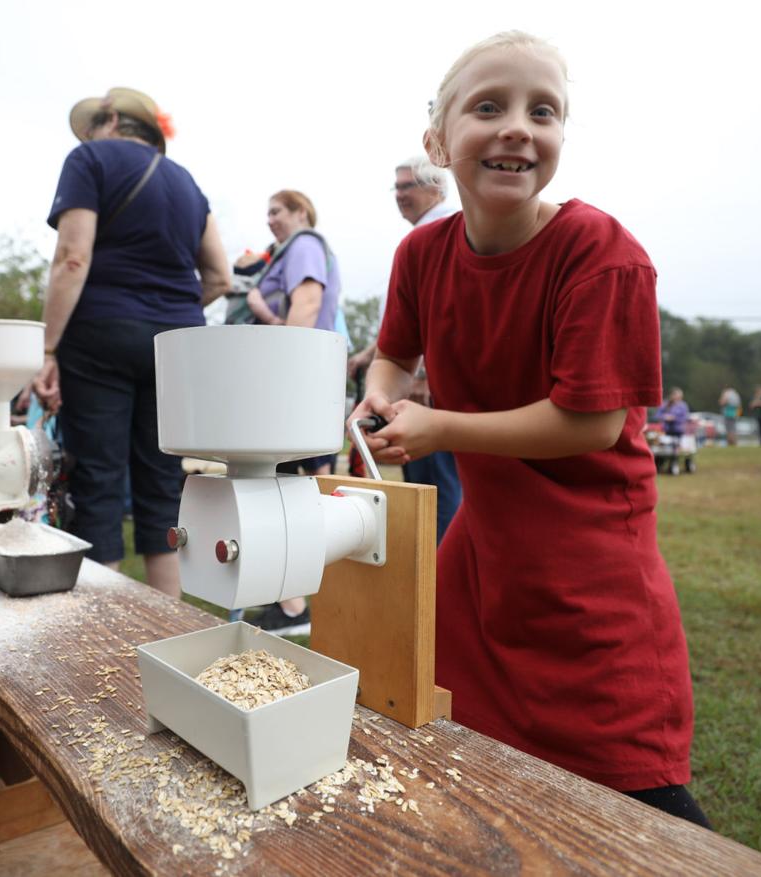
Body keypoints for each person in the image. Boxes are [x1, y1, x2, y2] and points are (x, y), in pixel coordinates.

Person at [347, 32, 708, 826]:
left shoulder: (602, 253)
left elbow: (591, 422)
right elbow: (394, 356)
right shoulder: (421, 253)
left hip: (592, 576)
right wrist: (378, 397)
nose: (518, 126)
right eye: (489, 106)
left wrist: (440, 426)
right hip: (480, 564)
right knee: (468, 776)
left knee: (638, 806)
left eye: (543, 111)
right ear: (437, 142)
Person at [33, 87, 231, 597]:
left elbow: (73, 257)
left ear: (112, 121)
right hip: (177, 342)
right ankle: (171, 621)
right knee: (162, 481)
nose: (86, 136)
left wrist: (48, 348)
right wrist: (168, 312)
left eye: (90, 127)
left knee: (97, 479)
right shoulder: (186, 182)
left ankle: (103, 626)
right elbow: (220, 276)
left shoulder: (90, 159)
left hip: (101, 333)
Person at [238, 189, 342, 635]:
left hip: (295, 386)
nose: (270, 219)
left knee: (289, 493)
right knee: (295, 493)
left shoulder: (303, 245)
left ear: (301, 212)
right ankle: (295, 601)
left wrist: (261, 311)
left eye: (277, 211)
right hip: (303, 386)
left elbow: (308, 305)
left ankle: (296, 607)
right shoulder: (292, 249)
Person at [348, 158, 463, 544]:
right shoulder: (422, 238)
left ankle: (436, 563)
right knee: (424, 482)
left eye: (407, 186)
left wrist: (422, 376)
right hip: (412, 382)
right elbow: (404, 328)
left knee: (435, 486)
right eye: (396, 187)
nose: (399, 195)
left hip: (425, 389)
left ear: (437, 188)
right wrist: (369, 356)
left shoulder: (443, 233)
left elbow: (445, 317)